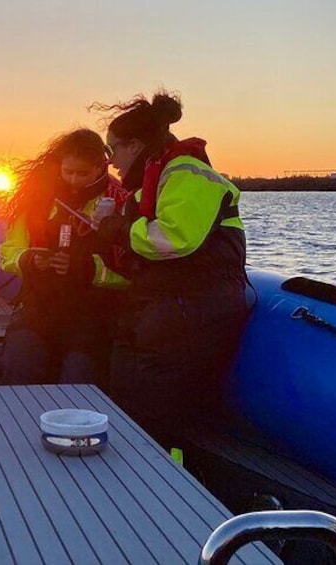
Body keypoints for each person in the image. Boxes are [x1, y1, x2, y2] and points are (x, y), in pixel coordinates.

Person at [91, 91, 248, 439]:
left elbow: (174, 239)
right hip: (162, 307)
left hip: (191, 310)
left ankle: (163, 470)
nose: (111, 162)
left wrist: (117, 228)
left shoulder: (188, 175)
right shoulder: (155, 180)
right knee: (125, 392)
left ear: (135, 144)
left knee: (157, 413)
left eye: (112, 149)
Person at [0, 128, 130, 388]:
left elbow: (130, 275)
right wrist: (29, 260)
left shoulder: (120, 203)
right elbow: (8, 253)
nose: (74, 179)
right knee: (20, 360)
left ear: (101, 168)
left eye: (83, 173)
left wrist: (86, 269)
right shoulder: (35, 201)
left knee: (79, 376)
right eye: (68, 171)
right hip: (39, 306)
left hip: (92, 315)